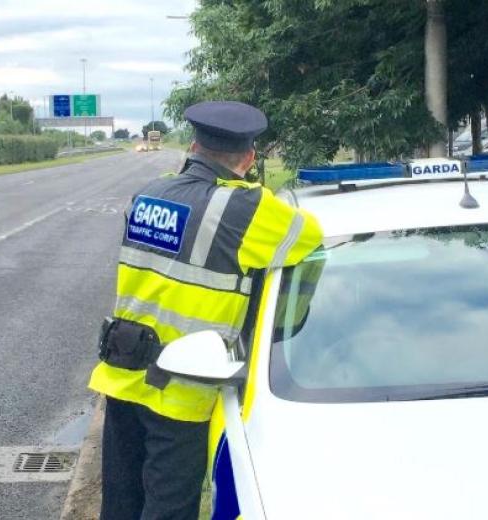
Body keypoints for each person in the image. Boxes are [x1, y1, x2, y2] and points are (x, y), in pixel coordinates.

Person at [88, 100, 323, 520]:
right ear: (249, 158)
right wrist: (254, 191)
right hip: (181, 391)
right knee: (169, 510)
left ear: (192, 146)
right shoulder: (249, 209)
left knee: (121, 503)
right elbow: (311, 235)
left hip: (122, 374)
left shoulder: (148, 194)